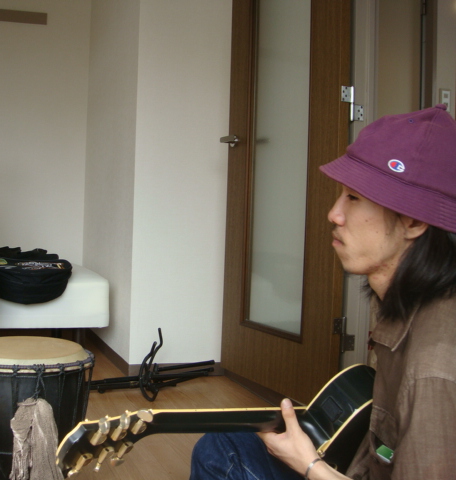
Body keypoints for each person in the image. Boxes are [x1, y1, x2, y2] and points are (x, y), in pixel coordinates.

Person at [190, 104, 456, 480]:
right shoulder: (407, 304)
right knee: (225, 444)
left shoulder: (435, 368)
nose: (334, 213)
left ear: (412, 221)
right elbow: (386, 450)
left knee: (224, 458)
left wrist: (310, 464)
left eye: (354, 198)